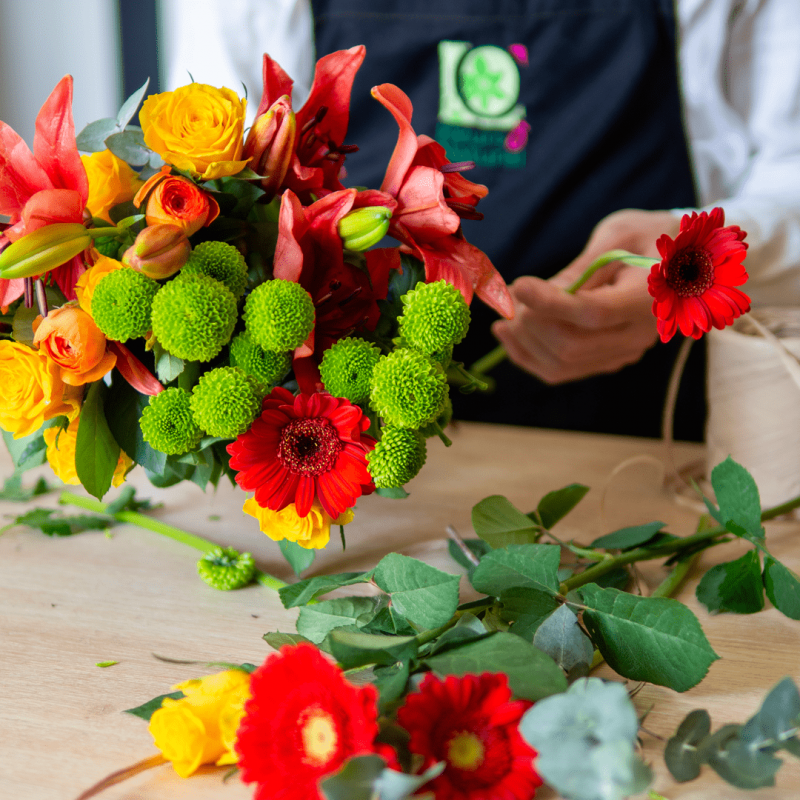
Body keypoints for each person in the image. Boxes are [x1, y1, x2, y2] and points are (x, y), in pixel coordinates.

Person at [161, 0, 800, 441]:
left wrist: (684, 268)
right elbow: (217, 200)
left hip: (649, 439)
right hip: (350, 454)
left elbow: (789, 178)